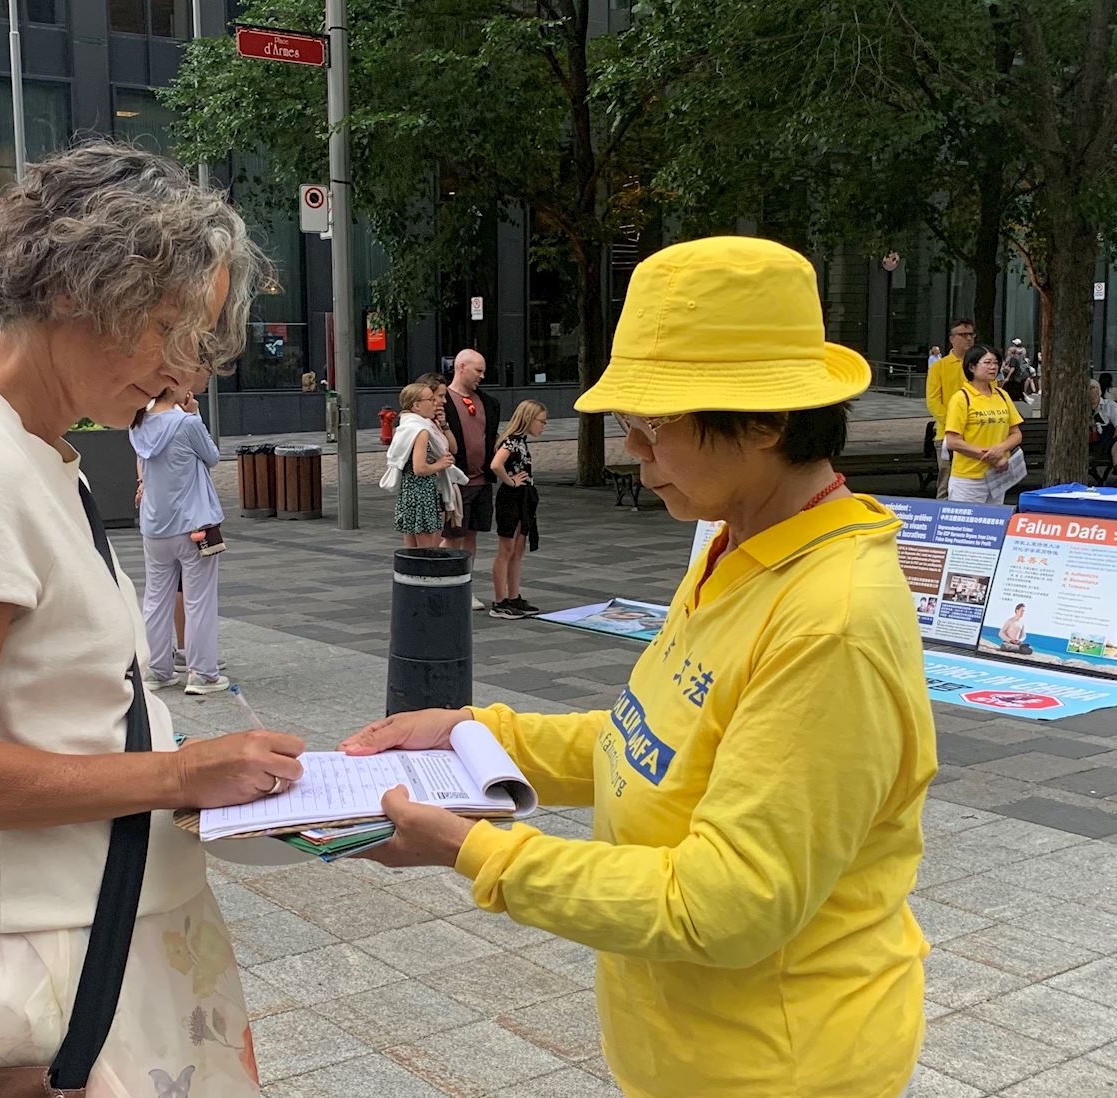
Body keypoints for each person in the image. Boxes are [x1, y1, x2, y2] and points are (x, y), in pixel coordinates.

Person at [340, 236, 936, 1098]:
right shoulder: (737, 546)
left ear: (766, 422)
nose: (631, 451)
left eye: (652, 427)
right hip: (688, 1050)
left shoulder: (830, 621)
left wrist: (476, 852)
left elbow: (724, 902)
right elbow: (648, 742)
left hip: (777, 1066)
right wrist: (475, 733)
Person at [0, 142, 299, 1094]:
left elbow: (57, 709)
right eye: (172, 329)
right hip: (46, 970)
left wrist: (196, 777)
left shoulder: (28, 451)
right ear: (74, 287)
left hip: (93, 936)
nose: (186, 375)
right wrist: (179, 773)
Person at [131, 386, 230, 695]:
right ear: (173, 387)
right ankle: (202, 673)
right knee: (199, 601)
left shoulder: (138, 423)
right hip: (192, 525)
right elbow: (212, 456)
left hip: (154, 526)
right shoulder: (186, 424)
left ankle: (157, 670)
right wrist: (195, 414)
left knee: (155, 599)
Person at [441, 348, 502, 609]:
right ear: (461, 367)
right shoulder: (442, 400)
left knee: (471, 535)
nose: (482, 376)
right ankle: (444, 584)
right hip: (456, 481)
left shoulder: (488, 403)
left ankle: (465, 587)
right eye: (478, 370)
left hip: (481, 480)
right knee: (452, 535)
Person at [488, 400, 547, 619]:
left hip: (523, 497)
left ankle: (513, 596)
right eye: (541, 421)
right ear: (529, 419)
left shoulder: (520, 441)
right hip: (512, 497)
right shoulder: (512, 441)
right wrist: (510, 481)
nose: (543, 426)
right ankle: (500, 600)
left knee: (517, 548)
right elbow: (496, 464)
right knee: (507, 548)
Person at [944, 345, 1024, 504]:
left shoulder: (1002, 395)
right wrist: (993, 458)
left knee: (994, 519)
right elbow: (953, 441)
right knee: (967, 519)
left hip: (997, 476)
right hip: (968, 479)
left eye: (996, 363)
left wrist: (1001, 449)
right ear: (971, 367)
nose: (993, 367)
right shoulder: (961, 398)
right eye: (987, 362)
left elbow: (1016, 434)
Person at [382, 381, 458, 548]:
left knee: (411, 548)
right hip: (422, 493)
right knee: (427, 549)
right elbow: (420, 468)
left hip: (408, 492)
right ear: (416, 405)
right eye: (430, 399)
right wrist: (441, 464)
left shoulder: (406, 426)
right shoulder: (421, 430)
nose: (435, 403)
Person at [926, 319, 974, 498]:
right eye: (963, 335)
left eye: (971, 334)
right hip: (947, 435)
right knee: (946, 484)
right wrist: (954, 424)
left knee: (974, 485)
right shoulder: (939, 367)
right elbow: (933, 401)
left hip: (977, 434)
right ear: (952, 339)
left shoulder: (980, 365)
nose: (968, 338)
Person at [1089, 378, 1117, 470]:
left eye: (1092, 388)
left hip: (1109, 439)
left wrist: (1112, 440)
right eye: (1088, 388)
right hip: (1092, 443)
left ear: (1099, 391)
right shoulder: (1082, 408)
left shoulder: (1109, 405)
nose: (1090, 391)